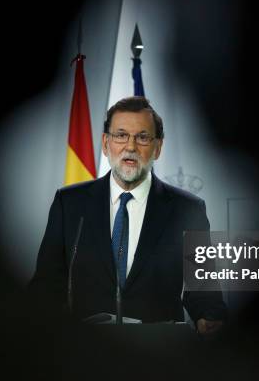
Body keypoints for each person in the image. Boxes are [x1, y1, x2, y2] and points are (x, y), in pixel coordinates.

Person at [29, 96, 226, 334]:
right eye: (121, 135)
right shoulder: (69, 203)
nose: (130, 146)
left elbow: (203, 288)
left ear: (158, 147)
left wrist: (208, 317)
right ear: (105, 143)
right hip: (84, 351)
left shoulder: (187, 209)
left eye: (142, 137)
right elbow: (47, 283)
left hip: (158, 354)